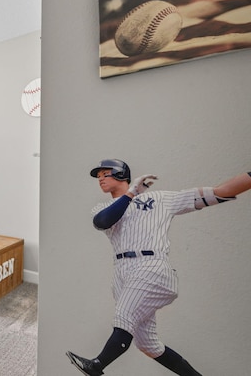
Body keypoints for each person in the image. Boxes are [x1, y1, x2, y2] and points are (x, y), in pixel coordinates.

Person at [66, 159, 251, 376]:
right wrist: (131, 193)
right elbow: (102, 222)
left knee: (124, 317)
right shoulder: (104, 207)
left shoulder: (159, 198)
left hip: (151, 267)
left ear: (119, 174)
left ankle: (97, 365)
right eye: (98, 176)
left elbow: (220, 192)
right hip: (123, 272)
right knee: (148, 345)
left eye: (105, 174)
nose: (100, 179)